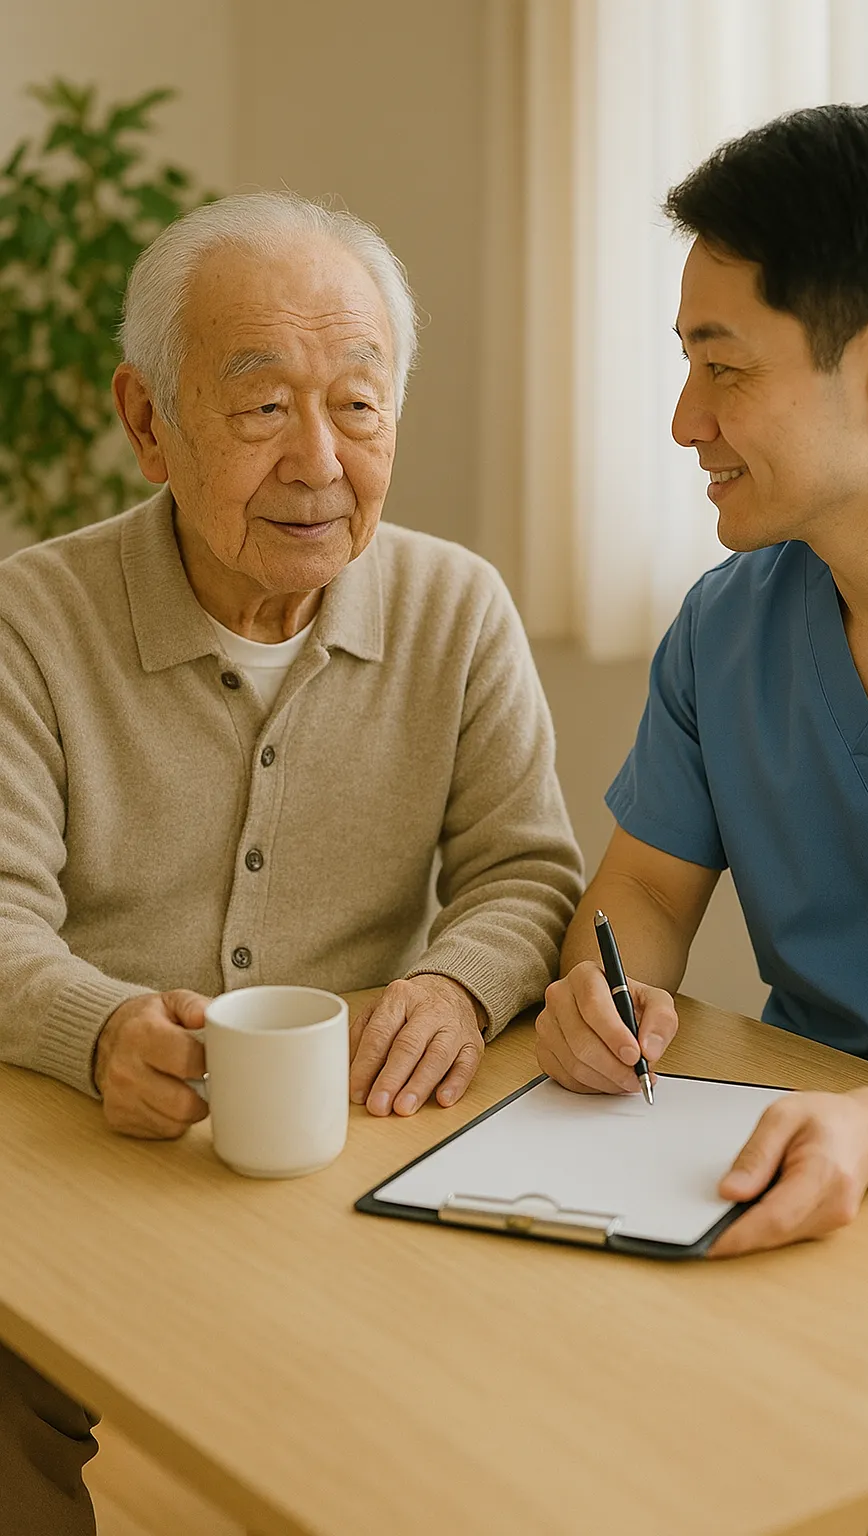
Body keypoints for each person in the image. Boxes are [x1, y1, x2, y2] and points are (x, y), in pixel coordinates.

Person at [0, 190, 583, 1534]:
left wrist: (449, 989)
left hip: (346, 1161)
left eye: (360, 407)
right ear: (145, 419)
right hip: (83, 1151)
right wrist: (99, 1034)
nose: (319, 461)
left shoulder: (456, 609)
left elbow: (525, 873)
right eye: (261, 409)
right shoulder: (35, 622)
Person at [536, 104, 868, 1534]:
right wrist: (599, 994)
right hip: (791, 1189)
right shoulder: (726, 630)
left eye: (721, 367)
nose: (685, 423)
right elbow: (641, 897)